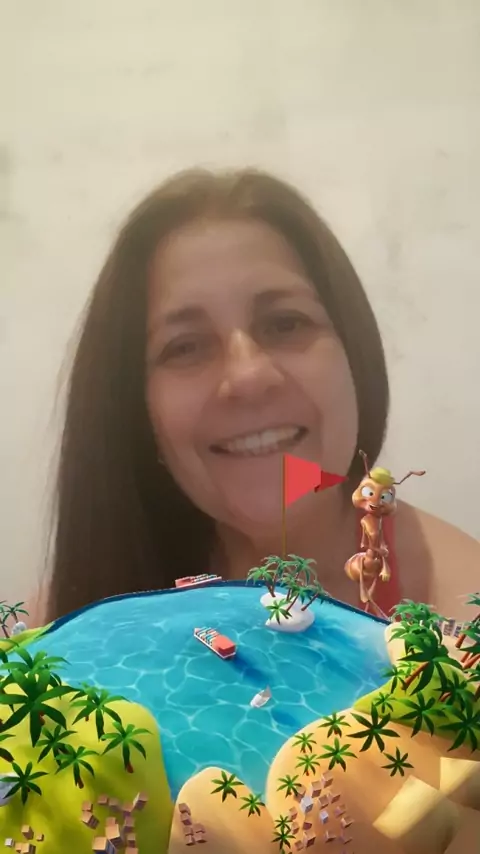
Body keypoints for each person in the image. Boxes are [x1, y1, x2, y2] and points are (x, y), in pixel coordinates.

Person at [32, 168, 479, 625]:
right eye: (185, 347)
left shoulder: (465, 617)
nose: (248, 376)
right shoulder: (61, 626)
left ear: (353, 353)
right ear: (134, 409)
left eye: (285, 323)